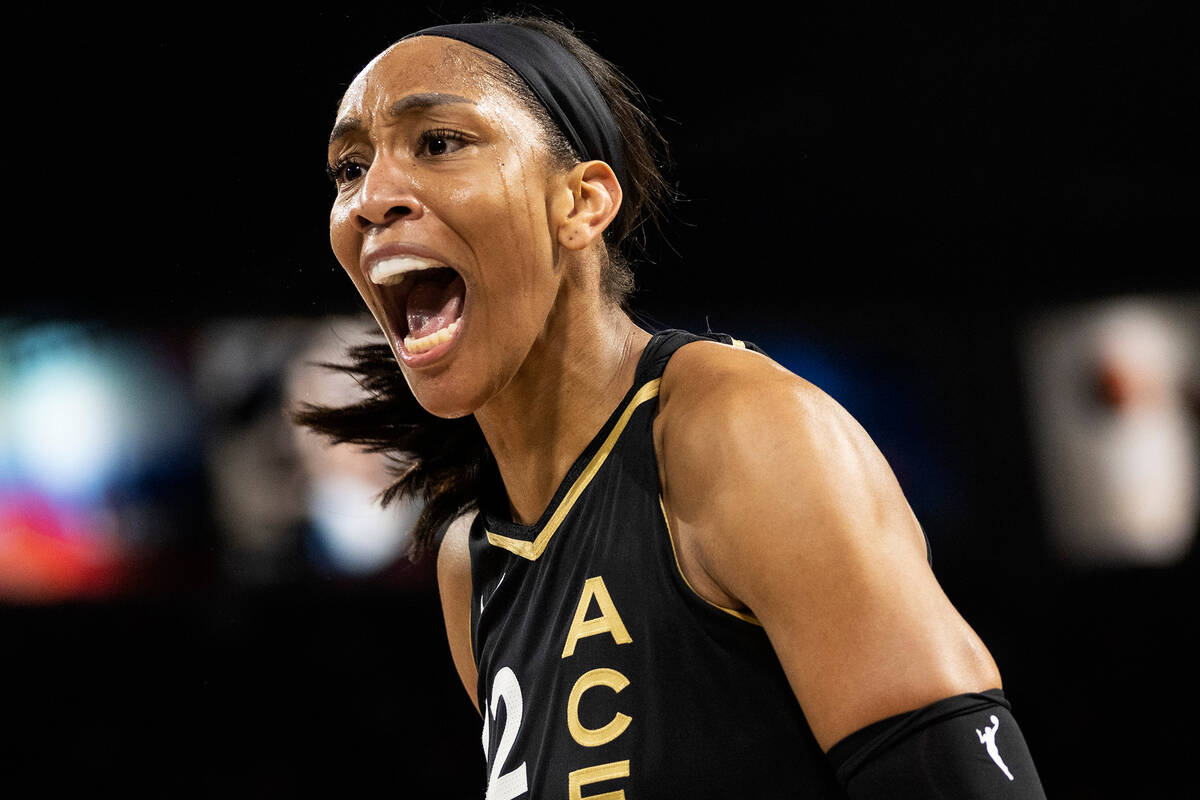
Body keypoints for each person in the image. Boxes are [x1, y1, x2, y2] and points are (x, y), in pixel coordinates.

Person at [300, 13, 1047, 798]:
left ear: (582, 203)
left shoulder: (740, 429)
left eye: (440, 143)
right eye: (349, 168)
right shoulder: (474, 562)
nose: (371, 198)